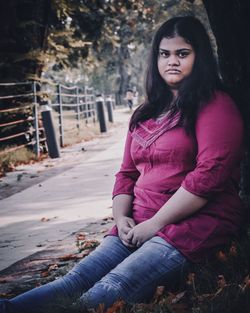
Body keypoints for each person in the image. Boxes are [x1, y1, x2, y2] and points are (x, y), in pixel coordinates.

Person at [0, 16, 245, 313]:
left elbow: (209, 175)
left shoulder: (216, 104)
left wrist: (155, 224)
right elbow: (126, 174)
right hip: (137, 223)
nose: (172, 61)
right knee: (72, 281)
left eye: (183, 54)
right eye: (164, 54)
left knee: (110, 288)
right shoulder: (146, 111)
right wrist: (121, 218)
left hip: (194, 225)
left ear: (200, 57)